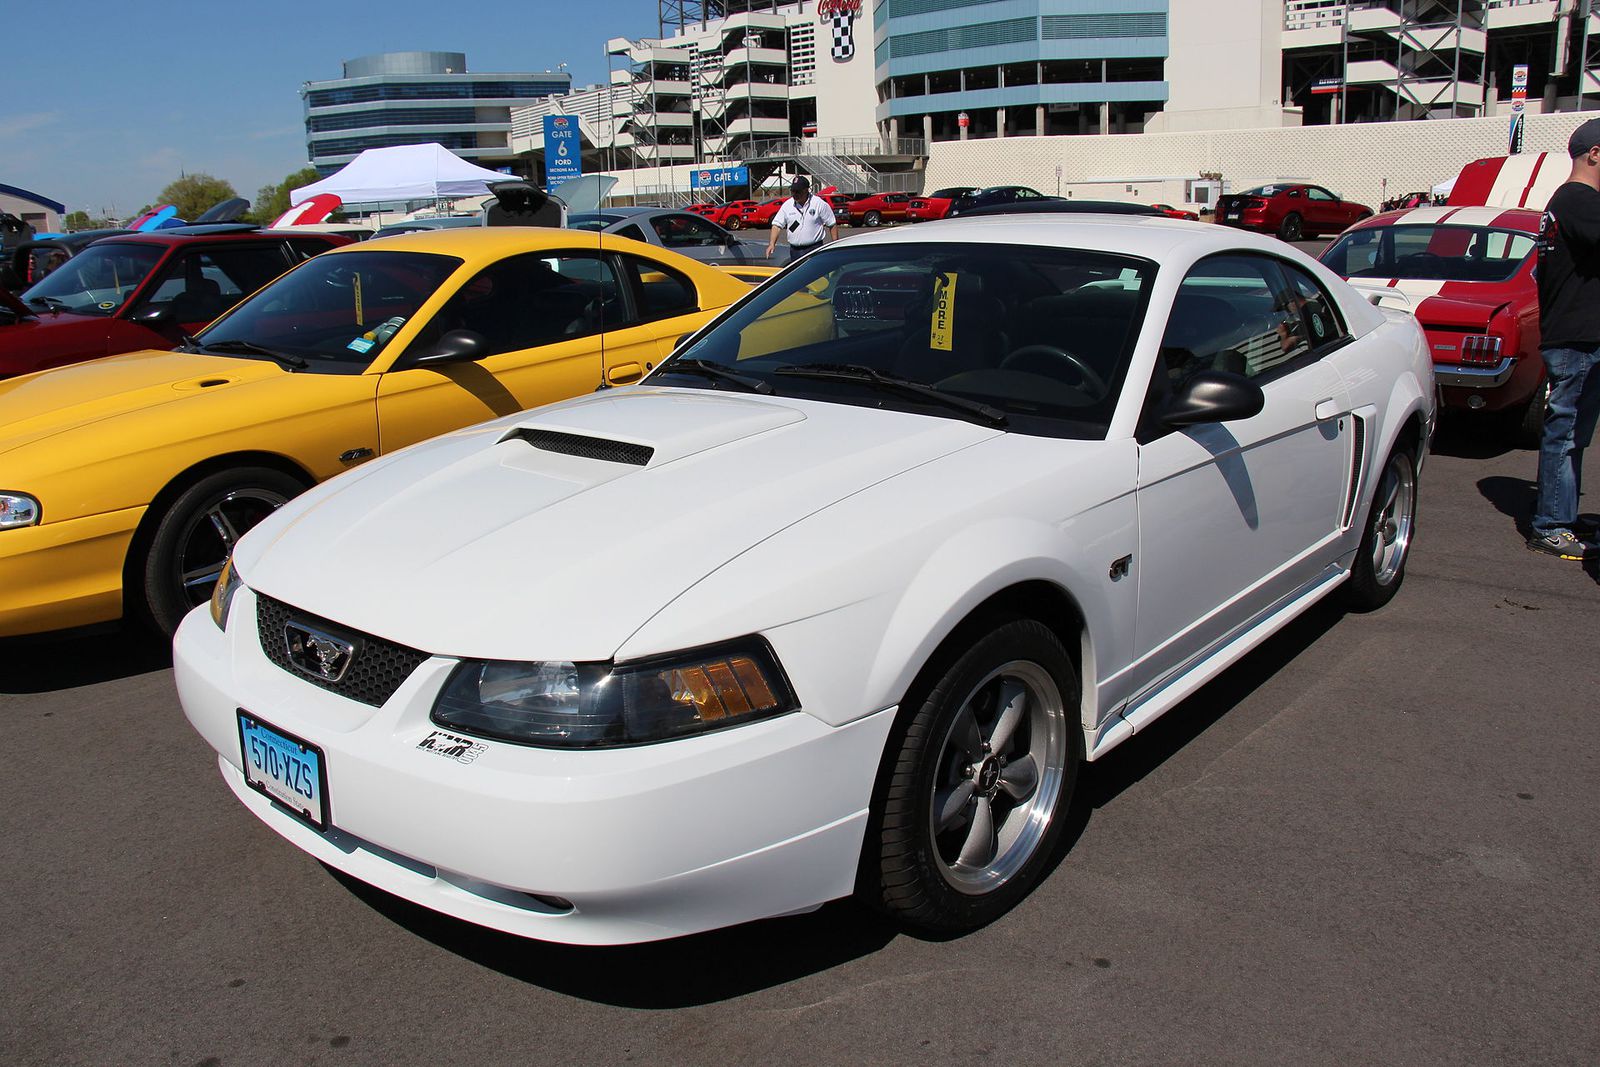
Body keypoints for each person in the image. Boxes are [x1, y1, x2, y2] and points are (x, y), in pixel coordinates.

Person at [1529, 118, 1600, 560]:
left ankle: (1563, 516)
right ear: (1595, 154)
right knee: (1566, 431)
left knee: (1573, 433)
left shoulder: (1567, 203)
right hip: (1576, 339)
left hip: (1577, 336)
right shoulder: (1578, 200)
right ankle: (1551, 523)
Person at [766, 176, 838, 264]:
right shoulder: (787, 205)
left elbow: (832, 224)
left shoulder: (818, 203)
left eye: (798, 191)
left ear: (806, 190)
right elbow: (777, 225)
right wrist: (772, 243)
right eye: (792, 191)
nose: (794, 194)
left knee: (814, 275)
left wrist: (835, 245)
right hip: (795, 251)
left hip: (814, 249)